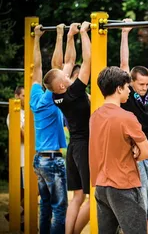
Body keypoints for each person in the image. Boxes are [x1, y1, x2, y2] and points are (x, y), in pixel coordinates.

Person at [89, 66, 148, 234]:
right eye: (127, 87)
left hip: (102, 185)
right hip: (124, 183)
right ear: (118, 89)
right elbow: (147, 152)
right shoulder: (127, 117)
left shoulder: (94, 116)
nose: (130, 91)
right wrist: (135, 152)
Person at [43, 22, 91, 234]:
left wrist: (70, 36)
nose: (68, 74)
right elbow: (88, 61)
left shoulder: (57, 94)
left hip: (73, 148)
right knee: (93, 196)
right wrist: (84, 34)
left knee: (77, 197)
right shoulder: (75, 92)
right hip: (84, 148)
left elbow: (70, 60)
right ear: (62, 84)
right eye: (65, 76)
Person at [119, 18, 148, 234]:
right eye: (141, 84)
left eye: (147, 84)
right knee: (142, 203)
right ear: (131, 83)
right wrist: (125, 33)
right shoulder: (128, 96)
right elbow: (124, 65)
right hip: (136, 156)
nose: (145, 87)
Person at [30, 25, 68, 234]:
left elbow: (36, 69)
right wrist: (60, 34)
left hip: (39, 160)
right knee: (59, 208)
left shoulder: (36, 97)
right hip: (53, 160)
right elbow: (57, 65)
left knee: (45, 206)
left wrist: (36, 38)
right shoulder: (52, 97)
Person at [5, 86, 25, 227]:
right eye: (23, 95)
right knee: (24, 190)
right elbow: (23, 136)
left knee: (29, 190)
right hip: (20, 157)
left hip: (29, 157)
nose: (26, 98)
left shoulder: (28, 112)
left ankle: (16, 214)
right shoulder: (13, 113)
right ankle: (18, 216)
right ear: (17, 96)